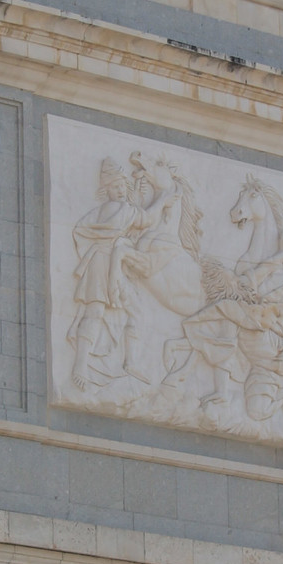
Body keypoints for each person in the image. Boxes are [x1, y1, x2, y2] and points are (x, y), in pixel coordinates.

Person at [68, 157, 173, 390]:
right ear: (106, 190)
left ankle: (130, 362)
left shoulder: (107, 211)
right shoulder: (122, 210)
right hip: (102, 262)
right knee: (95, 311)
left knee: (132, 311)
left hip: (112, 262)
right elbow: (147, 219)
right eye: (115, 187)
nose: (120, 190)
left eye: (123, 186)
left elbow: (81, 230)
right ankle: (80, 366)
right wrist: (162, 199)